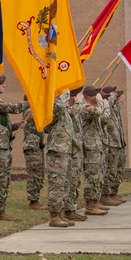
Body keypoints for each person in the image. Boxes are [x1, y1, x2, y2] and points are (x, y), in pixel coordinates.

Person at [0, 74, 28, 221]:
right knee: (0, 180)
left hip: (3, 146)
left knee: (5, 179)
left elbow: (5, 126)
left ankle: (1, 210)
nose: (4, 86)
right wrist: (33, 101)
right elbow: (14, 108)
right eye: (2, 83)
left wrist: (16, 126)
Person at [43, 92, 75, 227]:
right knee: (57, 184)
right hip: (57, 150)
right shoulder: (52, 107)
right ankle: (54, 216)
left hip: (65, 150)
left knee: (64, 184)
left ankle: (60, 213)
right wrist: (65, 93)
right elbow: (59, 107)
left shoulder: (61, 108)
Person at [79, 86, 111, 216]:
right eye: (95, 95)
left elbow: (104, 119)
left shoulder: (94, 108)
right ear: (90, 97)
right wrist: (103, 102)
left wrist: (104, 106)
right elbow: (97, 113)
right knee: (92, 176)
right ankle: (89, 205)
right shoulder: (85, 108)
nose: (97, 97)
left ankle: (95, 201)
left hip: (97, 145)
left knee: (97, 176)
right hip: (90, 146)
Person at [100, 86, 127, 206]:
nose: (116, 97)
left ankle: (113, 192)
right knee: (109, 171)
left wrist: (120, 100)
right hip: (110, 145)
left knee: (118, 170)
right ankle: (105, 195)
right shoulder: (105, 108)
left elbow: (117, 106)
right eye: (113, 95)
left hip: (119, 144)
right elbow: (109, 105)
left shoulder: (114, 110)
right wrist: (111, 97)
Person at [66, 88, 88, 223]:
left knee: (75, 180)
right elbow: (72, 112)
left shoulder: (74, 109)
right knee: (71, 180)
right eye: (73, 95)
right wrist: (78, 102)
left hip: (77, 150)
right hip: (70, 151)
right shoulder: (66, 109)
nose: (76, 97)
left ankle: (71, 209)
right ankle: (68, 210)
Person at [21, 103, 46, 211]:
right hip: (32, 145)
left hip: (37, 145)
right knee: (34, 173)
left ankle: (36, 198)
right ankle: (33, 201)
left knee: (39, 172)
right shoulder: (29, 111)